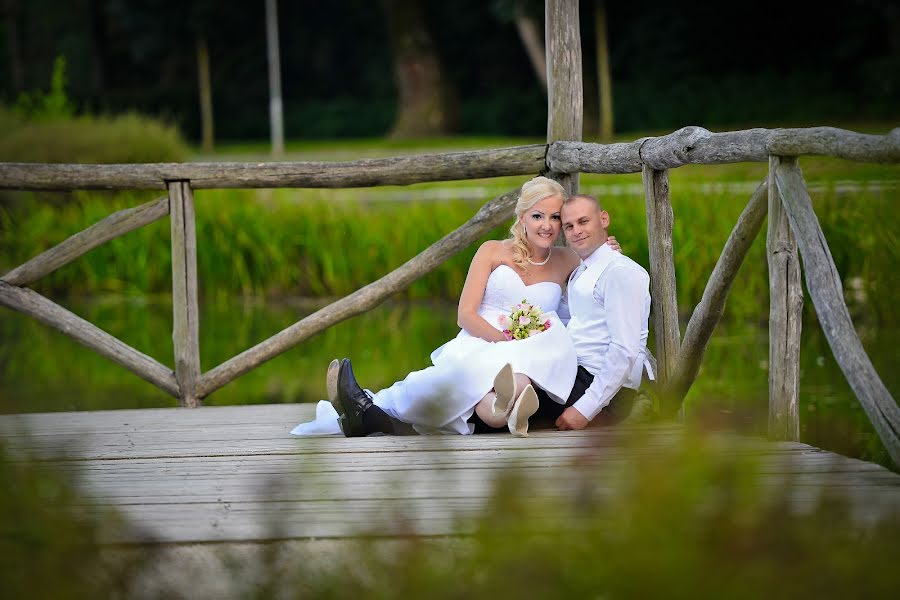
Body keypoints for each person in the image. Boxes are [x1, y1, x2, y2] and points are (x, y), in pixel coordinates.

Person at [291, 176, 619, 437]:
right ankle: (374, 406)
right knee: (453, 378)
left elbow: (597, 274)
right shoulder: (492, 251)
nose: (547, 225)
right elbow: (465, 314)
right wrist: (504, 342)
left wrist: (607, 247)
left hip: (534, 349)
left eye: (555, 217)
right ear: (521, 219)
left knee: (512, 379)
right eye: (537, 216)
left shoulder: (567, 259)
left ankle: (373, 409)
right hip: (482, 338)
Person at [530, 193, 655, 431]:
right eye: (569, 226)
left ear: (604, 219)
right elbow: (576, 321)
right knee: (504, 392)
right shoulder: (582, 272)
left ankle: (643, 405)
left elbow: (624, 349)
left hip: (605, 392)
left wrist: (585, 408)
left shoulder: (620, 272)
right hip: (575, 373)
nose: (576, 231)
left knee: (503, 411)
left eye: (583, 222)